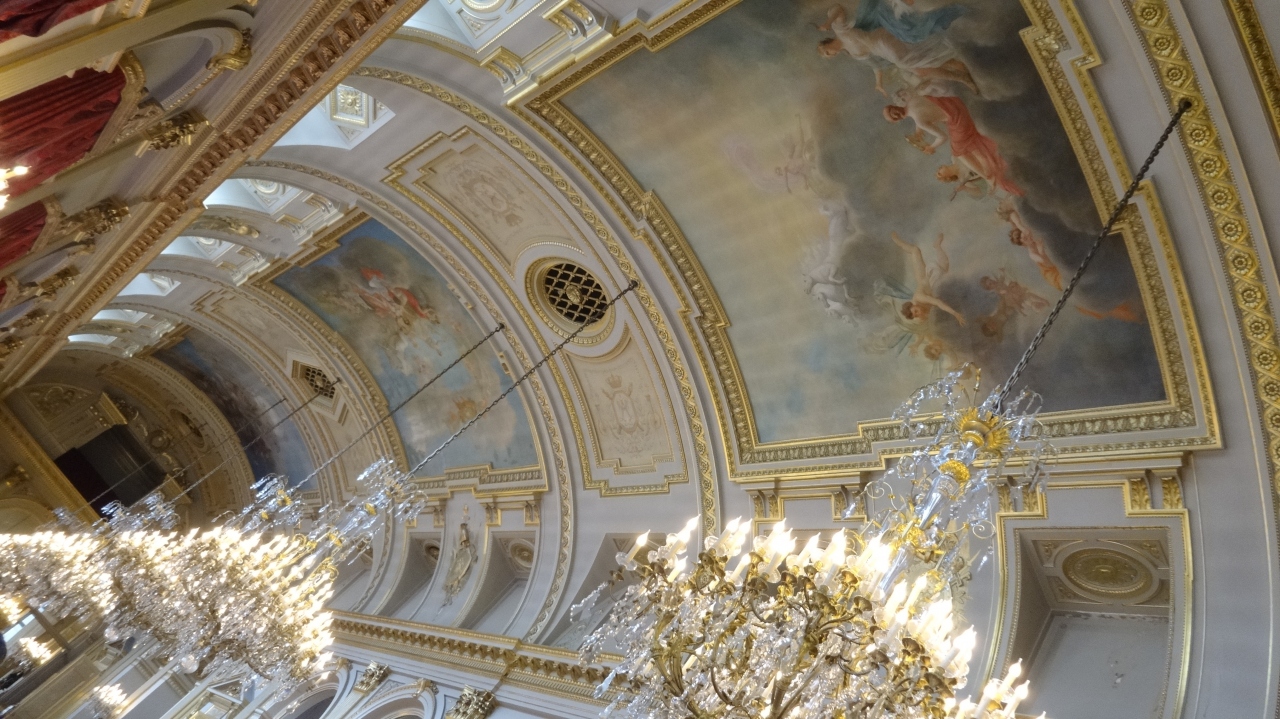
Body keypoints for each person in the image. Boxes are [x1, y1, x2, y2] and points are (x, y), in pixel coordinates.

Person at [818, 4, 979, 95]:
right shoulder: (853, 54)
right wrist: (878, 84)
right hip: (883, 51)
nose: (830, 55)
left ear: (826, 44)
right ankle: (959, 71)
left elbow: (837, 9)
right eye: (828, 56)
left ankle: (961, 75)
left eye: (827, 53)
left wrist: (827, 22)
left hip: (882, 39)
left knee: (907, 63)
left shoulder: (840, 30)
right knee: (920, 69)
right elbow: (875, 65)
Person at [893, 231, 966, 326]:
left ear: (914, 304)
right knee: (944, 267)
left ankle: (897, 240)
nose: (918, 314)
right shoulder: (921, 316)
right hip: (933, 285)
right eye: (916, 315)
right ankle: (937, 246)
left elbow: (938, 302)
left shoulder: (920, 298)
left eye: (916, 311)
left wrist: (955, 313)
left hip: (923, 277)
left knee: (915, 250)